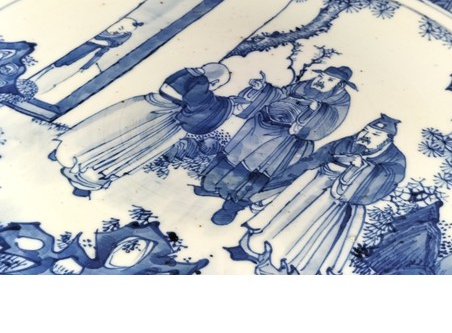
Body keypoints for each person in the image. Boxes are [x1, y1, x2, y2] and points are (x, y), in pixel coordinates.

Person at [228, 114, 406, 275]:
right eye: (365, 130)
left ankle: (283, 267)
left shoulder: (395, 159)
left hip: (338, 203)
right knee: (282, 217)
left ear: (387, 140)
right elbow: (317, 158)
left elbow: (388, 179)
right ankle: (253, 250)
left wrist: (365, 168)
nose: (366, 136)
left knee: (304, 233)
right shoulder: (350, 142)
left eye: (375, 134)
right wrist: (278, 183)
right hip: (313, 186)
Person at [196, 65, 357, 225]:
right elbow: (281, 93)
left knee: (256, 169)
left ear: (340, 85)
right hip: (260, 125)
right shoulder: (305, 86)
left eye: (330, 80)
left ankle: (231, 207)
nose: (321, 81)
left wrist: (318, 109)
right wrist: (263, 88)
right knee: (233, 156)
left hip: (285, 138)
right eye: (321, 76)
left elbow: (328, 123)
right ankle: (211, 185)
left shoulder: (340, 101)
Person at [52, 63, 234, 197]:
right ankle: (88, 180)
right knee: (130, 148)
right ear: (215, 81)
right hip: (163, 117)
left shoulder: (185, 72)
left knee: (108, 127)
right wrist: (227, 105)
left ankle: (66, 152)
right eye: (217, 86)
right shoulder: (200, 84)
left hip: (146, 102)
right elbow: (197, 106)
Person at [32, 17, 143, 94]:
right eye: (120, 28)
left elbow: (110, 43)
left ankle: (39, 89)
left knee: (61, 72)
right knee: (52, 63)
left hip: (87, 54)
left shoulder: (124, 35)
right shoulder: (104, 24)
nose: (119, 32)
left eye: (123, 31)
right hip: (72, 46)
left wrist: (93, 40)